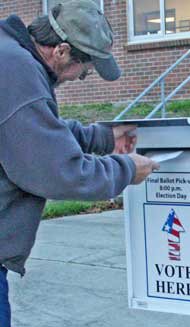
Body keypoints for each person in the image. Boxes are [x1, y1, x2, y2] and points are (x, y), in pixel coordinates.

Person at [0, 0, 159, 325]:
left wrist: (103, 137)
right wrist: (127, 169)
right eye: (84, 70)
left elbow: (34, 132)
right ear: (60, 50)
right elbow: (59, 172)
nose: (81, 77)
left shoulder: (9, 57)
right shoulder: (18, 73)